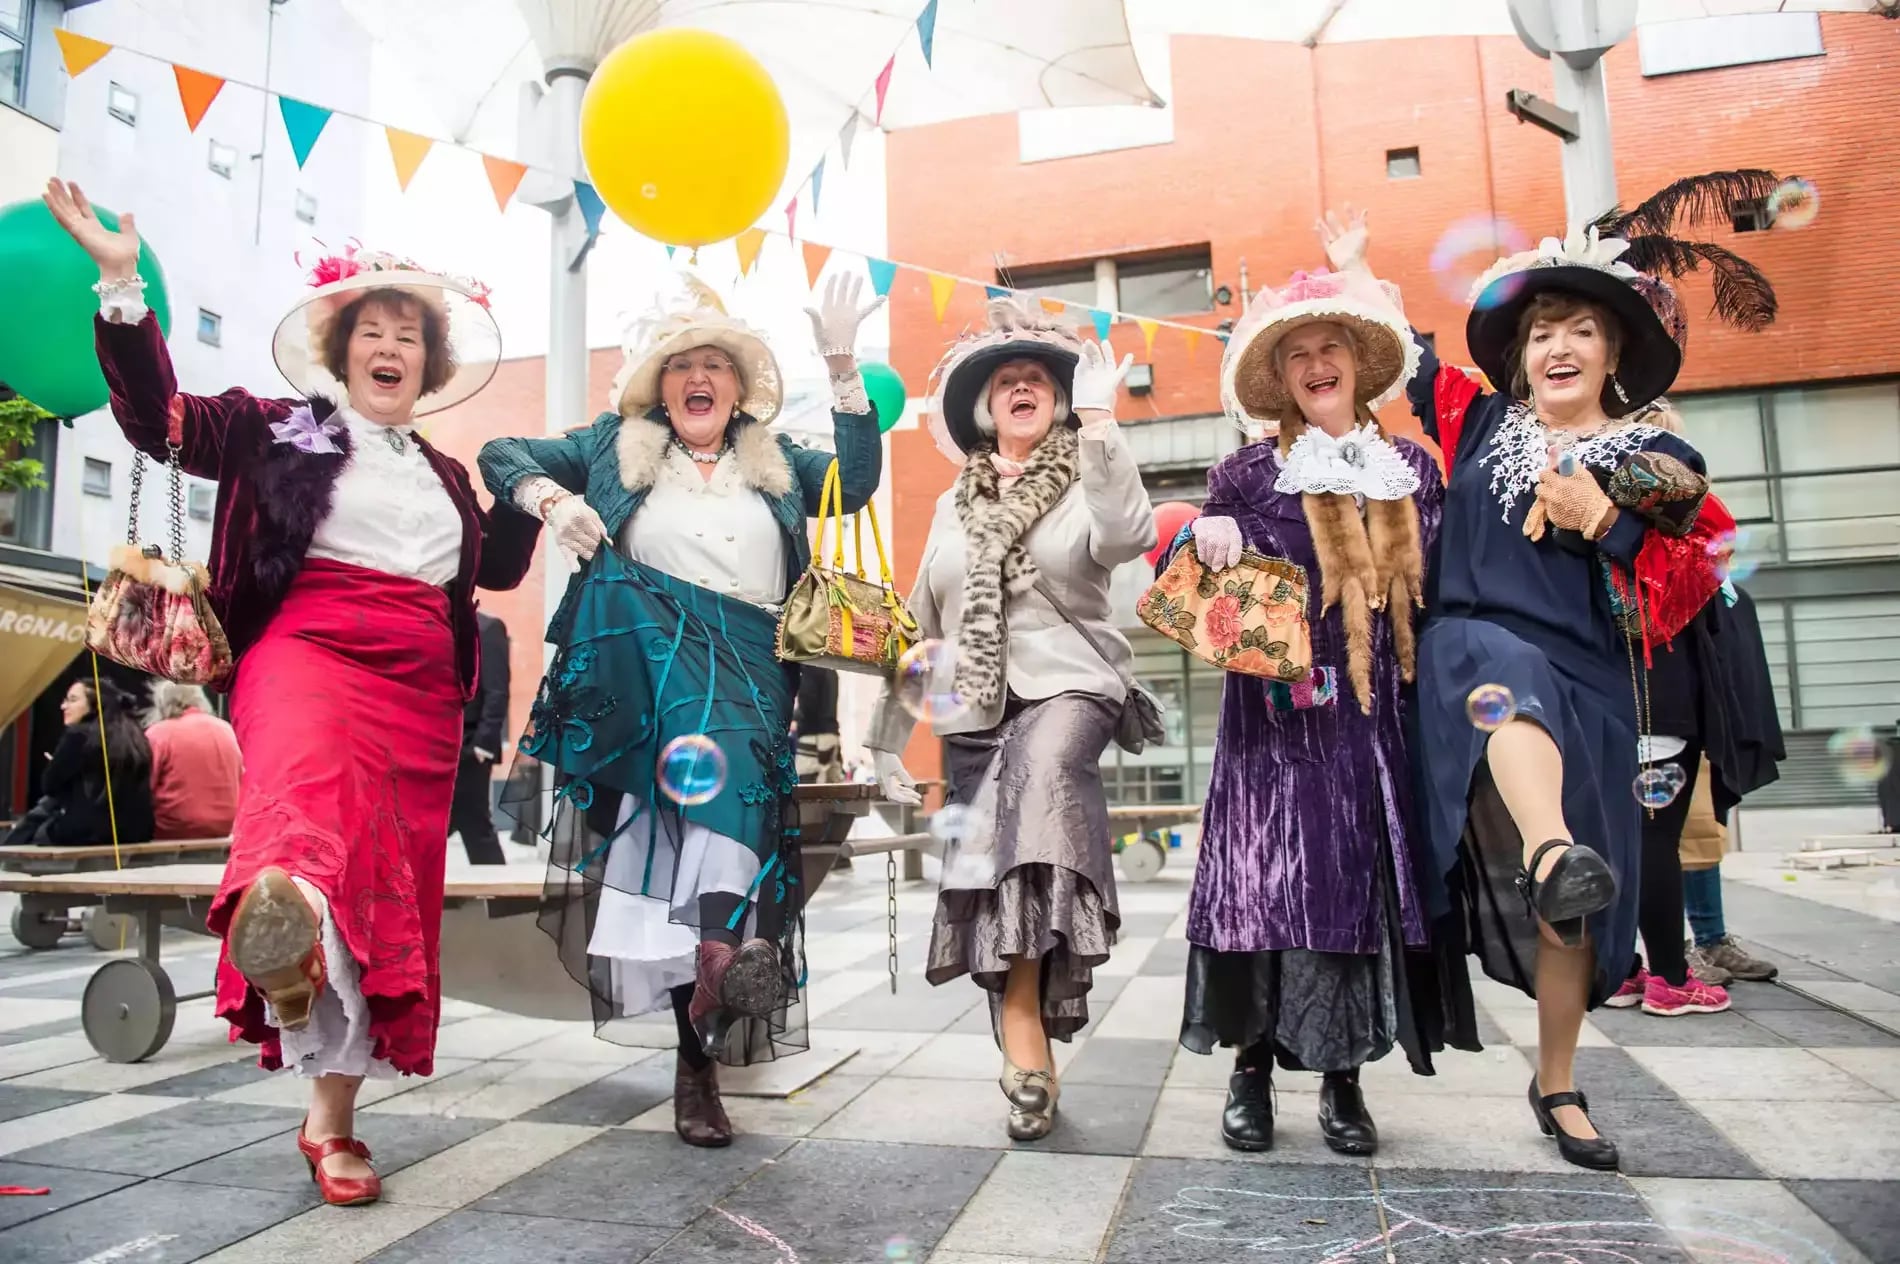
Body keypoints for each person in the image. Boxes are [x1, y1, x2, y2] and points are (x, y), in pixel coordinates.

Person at [45, 177, 539, 1207]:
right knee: (301, 811)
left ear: (429, 363)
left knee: (384, 891)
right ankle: (285, 916)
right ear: (343, 348)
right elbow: (160, 422)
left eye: (410, 334)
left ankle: (331, 1115)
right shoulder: (278, 426)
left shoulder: (446, 474)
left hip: (422, 692)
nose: (391, 346)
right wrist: (122, 287)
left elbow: (491, 570)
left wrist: (540, 497)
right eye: (374, 330)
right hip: (306, 646)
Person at [479, 273, 885, 1148]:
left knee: (727, 817)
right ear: (659, 387)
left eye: (716, 365)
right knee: (682, 845)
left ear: (737, 388)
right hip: (645, 661)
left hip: (751, 660)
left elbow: (855, 483)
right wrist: (554, 500)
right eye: (680, 366)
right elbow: (500, 451)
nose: (699, 378)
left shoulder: (779, 462)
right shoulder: (609, 447)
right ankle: (701, 1045)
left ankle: (715, 982)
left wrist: (842, 364)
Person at [1367, 211, 1717, 1171]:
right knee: (1506, 674)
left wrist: (1604, 518)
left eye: (1582, 330)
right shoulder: (1480, 421)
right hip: (1468, 650)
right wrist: (1358, 270)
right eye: (1542, 332)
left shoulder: (1659, 461)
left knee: (1574, 914)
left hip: (1592, 683)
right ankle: (1551, 848)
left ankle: (1558, 1082)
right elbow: (1404, 358)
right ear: (1520, 358)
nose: (1559, 345)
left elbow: (1688, 574)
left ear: (1614, 354)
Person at [1172, 261, 1450, 1156]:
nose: (1317, 363)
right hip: (1275, 729)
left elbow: (1442, 594)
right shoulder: (1246, 473)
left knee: (1351, 898)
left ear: (1360, 365)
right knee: (1262, 893)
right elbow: (1202, 589)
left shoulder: (1412, 470)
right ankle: (1249, 1070)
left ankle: (1343, 1080)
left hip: (1375, 729)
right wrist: (1205, 532)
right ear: (1281, 377)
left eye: (1332, 347)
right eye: (1297, 354)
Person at [867, 298, 1156, 1141]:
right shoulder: (949, 507)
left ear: (1058, 402)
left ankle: (1024, 1017)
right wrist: (885, 745)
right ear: (986, 411)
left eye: (1036, 378)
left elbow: (1129, 534)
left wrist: (1102, 422)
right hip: (974, 711)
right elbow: (921, 629)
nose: (1021, 387)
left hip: (1071, 688)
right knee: (997, 865)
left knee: (1043, 781)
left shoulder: (1088, 471)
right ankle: (1032, 1058)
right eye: (1005, 382)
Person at [7, 679, 155, 847]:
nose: (63, 706)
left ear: (95, 704)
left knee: (39, 817)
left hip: (89, 833)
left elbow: (49, 785)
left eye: (73, 700)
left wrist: (55, 765)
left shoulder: (79, 736)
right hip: (136, 831)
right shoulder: (136, 738)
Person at [448, 611, 511, 864]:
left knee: (476, 827)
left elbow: (497, 691)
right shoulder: (436, 623)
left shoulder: (487, 628)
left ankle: (502, 891)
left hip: (470, 747)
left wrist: (482, 746)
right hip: (440, 746)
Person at [144, 682, 242, 839]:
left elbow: (146, 786)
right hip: (227, 826)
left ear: (162, 703)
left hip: (173, 829)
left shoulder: (158, 734)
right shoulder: (226, 729)